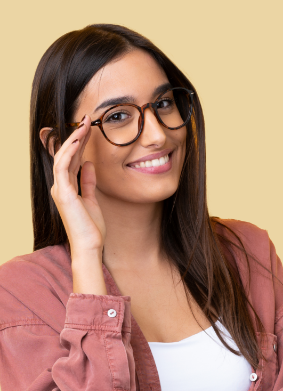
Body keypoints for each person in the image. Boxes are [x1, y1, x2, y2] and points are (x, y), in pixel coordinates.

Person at [0, 23, 282, 391]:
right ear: (60, 145)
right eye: (118, 116)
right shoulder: (19, 296)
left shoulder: (248, 253)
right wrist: (87, 256)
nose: (157, 134)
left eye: (163, 103)